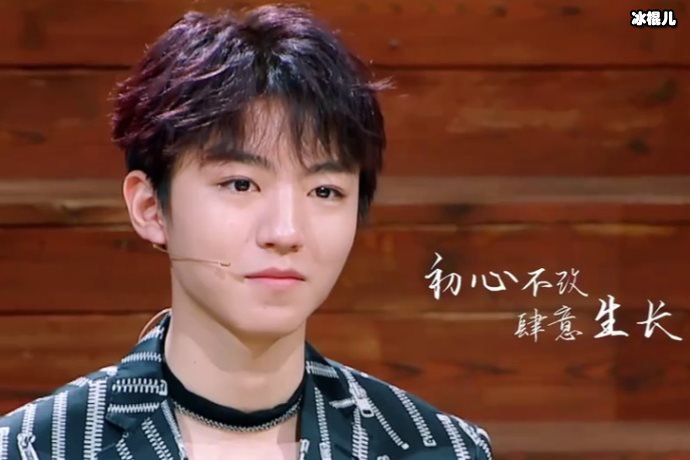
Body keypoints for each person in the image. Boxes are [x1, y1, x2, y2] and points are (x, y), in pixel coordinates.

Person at [0, 5, 493, 459]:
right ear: (150, 207)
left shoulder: (439, 449)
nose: (286, 231)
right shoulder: (34, 448)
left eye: (324, 191)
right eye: (240, 184)